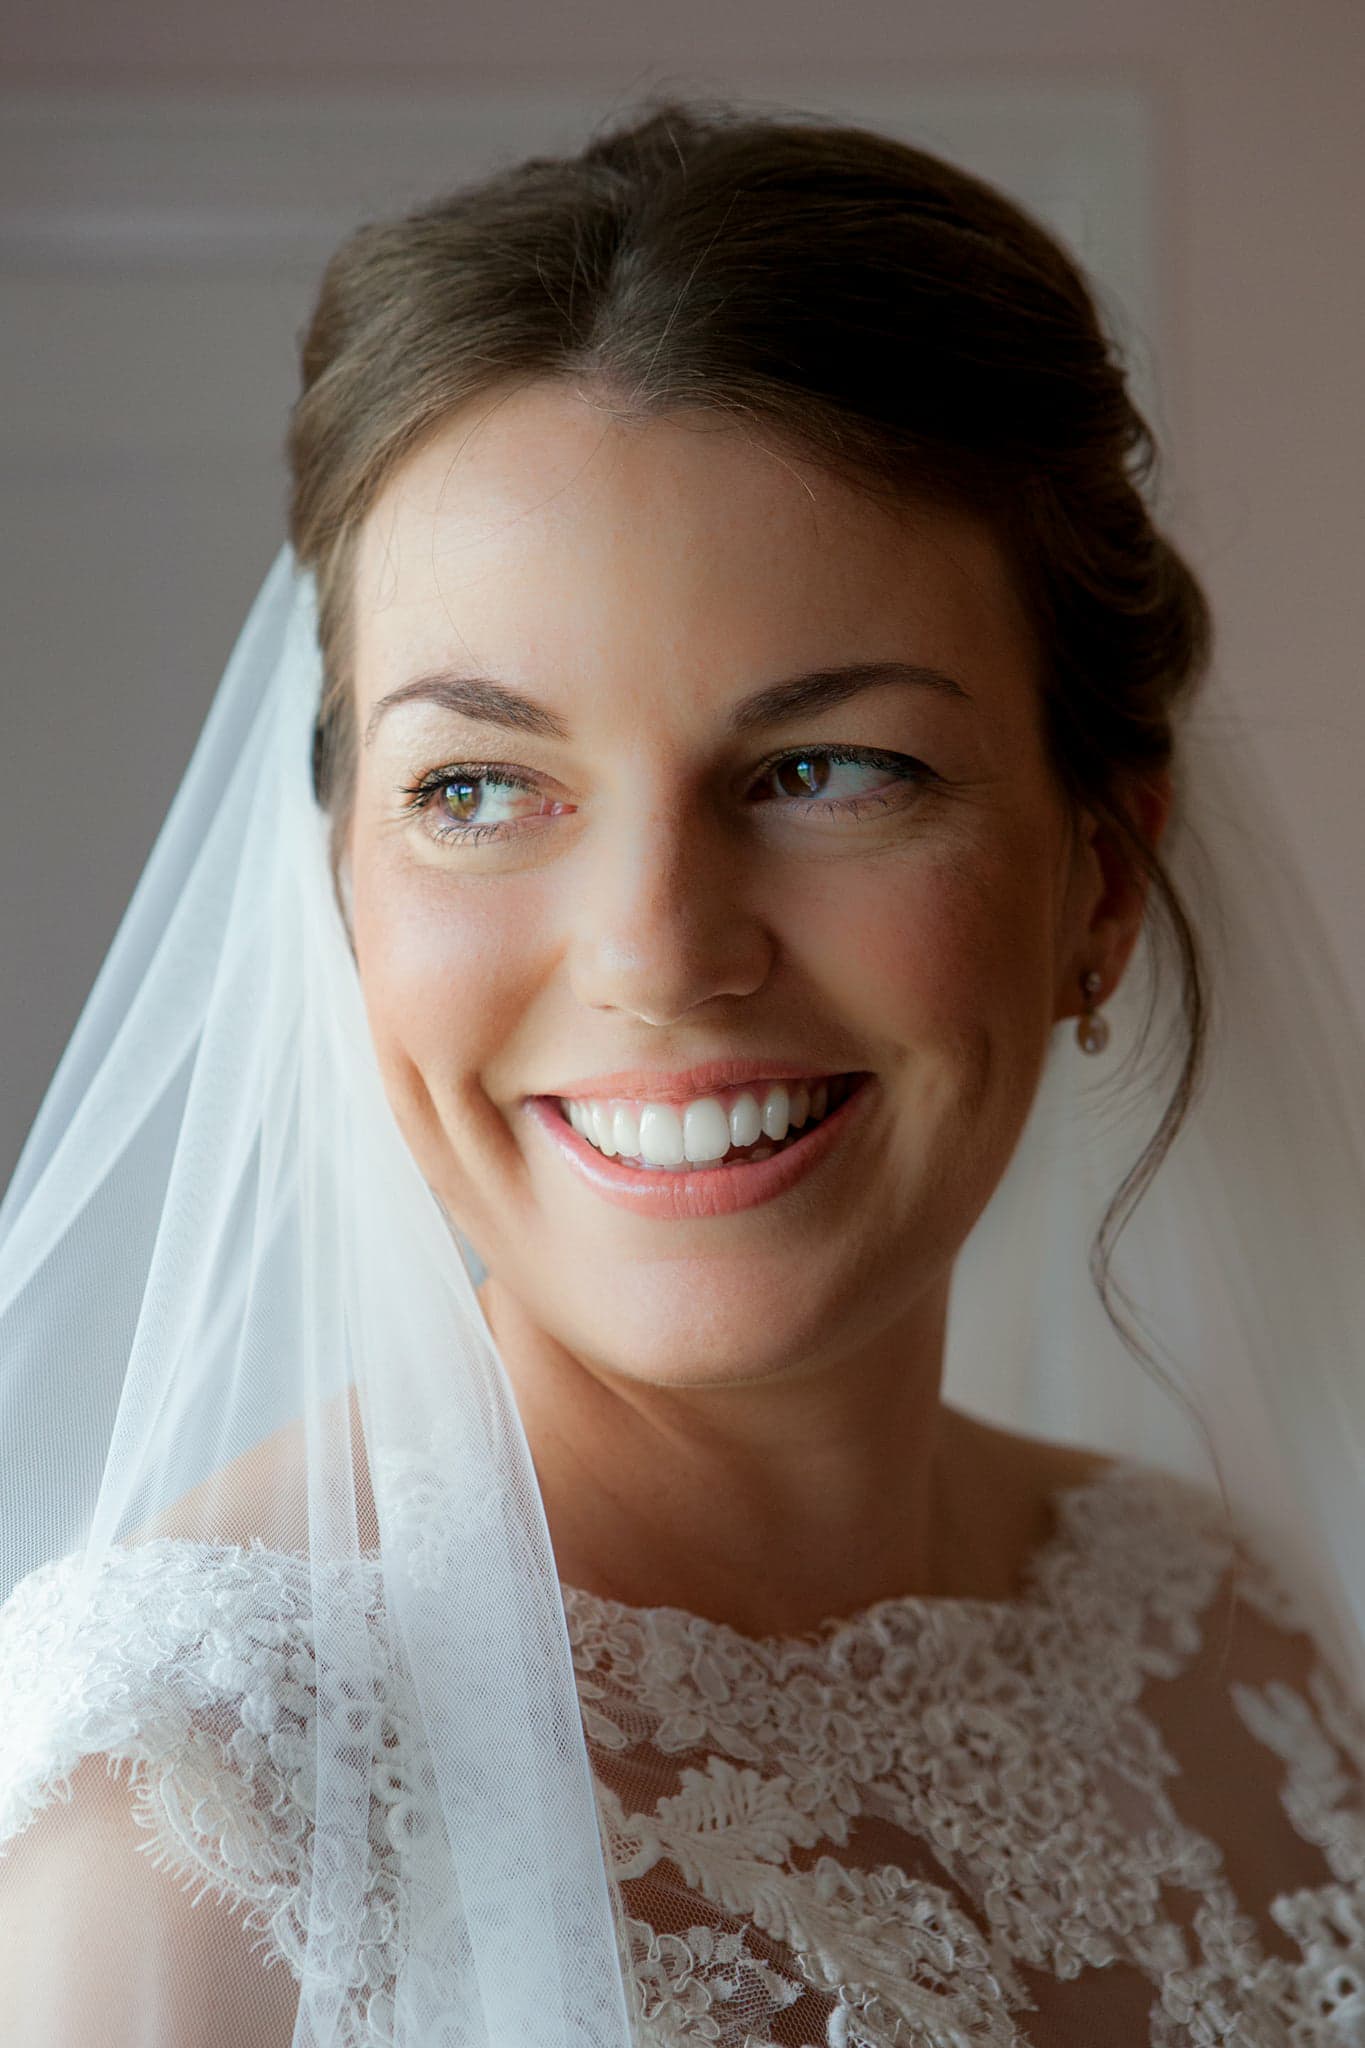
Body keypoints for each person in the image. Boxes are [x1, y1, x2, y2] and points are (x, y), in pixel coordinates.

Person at [1, 93, 1364, 2048]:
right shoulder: (192, 1831)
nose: (656, 952)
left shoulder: (1221, 1642)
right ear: (338, 891)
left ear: (1100, 871)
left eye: (827, 769)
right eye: (477, 786)